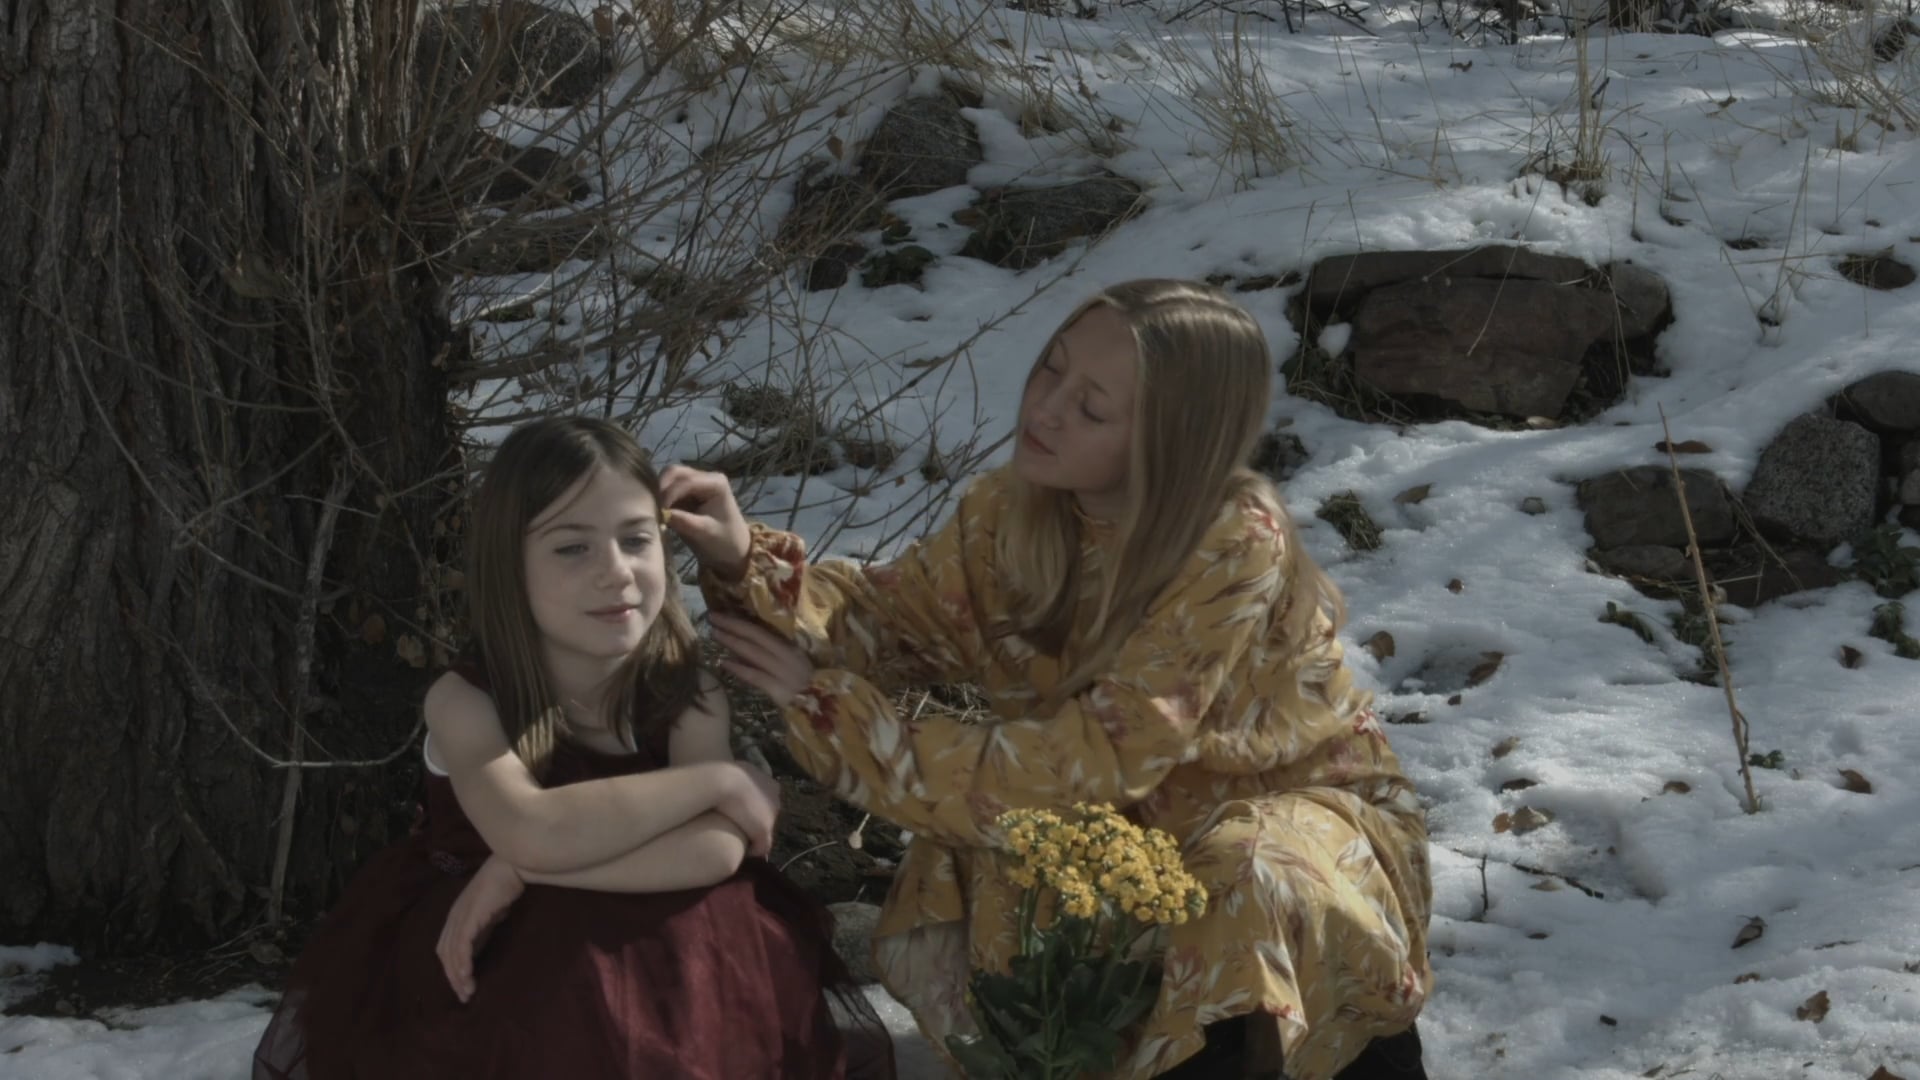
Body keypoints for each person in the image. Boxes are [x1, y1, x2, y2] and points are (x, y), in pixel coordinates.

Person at [661, 280, 1434, 1080]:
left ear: (1171, 439)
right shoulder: (1015, 511)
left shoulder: (1231, 540)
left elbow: (1099, 757)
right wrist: (739, 558)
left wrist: (839, 722)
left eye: (1092, 407)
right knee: (1002, 857)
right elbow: (890, 621)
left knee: (1239, 876)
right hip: (1121, 816)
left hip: (1286, 813)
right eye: (1051, 370)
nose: (1048, 407)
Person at [252, 416, 894, 1080]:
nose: (614, 573)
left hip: (670, 963)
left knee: (699, 921)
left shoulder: (687, 692)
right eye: (572, 549)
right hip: (504, 973)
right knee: (568, 964)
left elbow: (715, 850)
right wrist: (720, 784)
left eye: (636, 540)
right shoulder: (467, 702)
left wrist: (518, 871)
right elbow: (530, 827)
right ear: (510, 564)